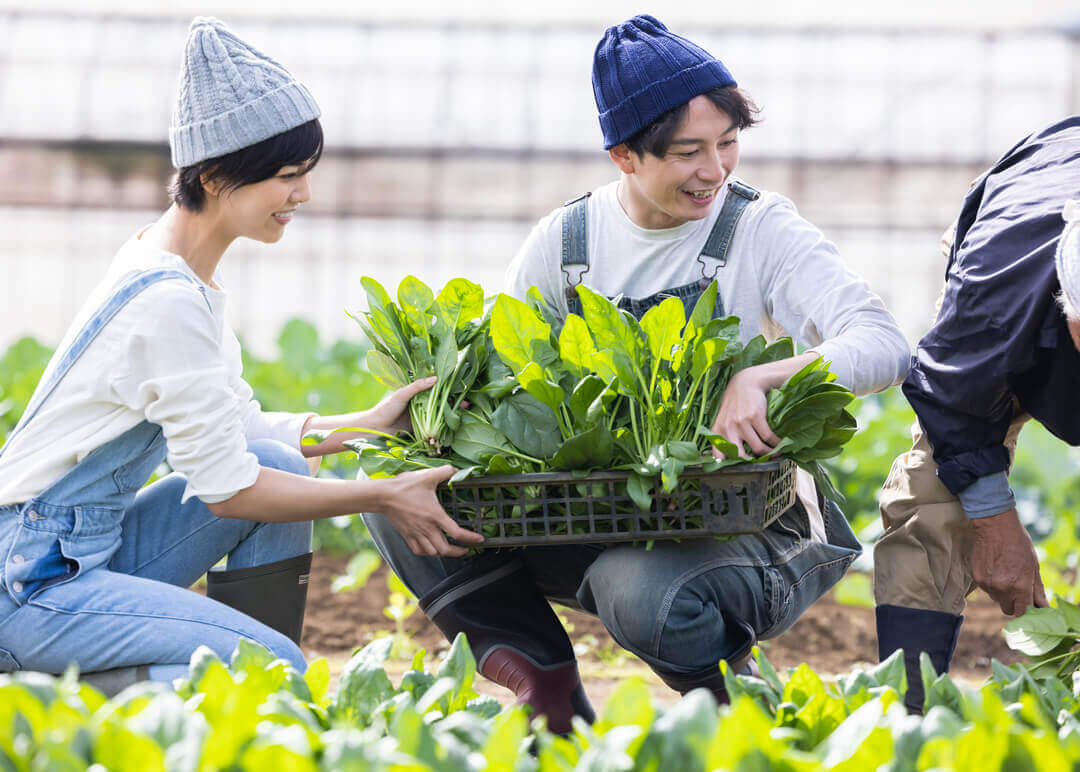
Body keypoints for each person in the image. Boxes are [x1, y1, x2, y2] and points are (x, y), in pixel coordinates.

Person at [363, 14, 908, 732]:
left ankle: (733, 706)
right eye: (689, 152)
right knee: (396, 500)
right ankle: (551, 705)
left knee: (637, 589)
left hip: (754, 520)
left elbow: (885, 343)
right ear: (625, 156)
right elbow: (503, 375)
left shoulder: (759, 228)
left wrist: (763, 379)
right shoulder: (566, 244)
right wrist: (440, 419)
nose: (715, 170)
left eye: (728, 143)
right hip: (603, 508)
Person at [0, 17, 480, 696]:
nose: (302, 195)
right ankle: (39, 698)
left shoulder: (177, 272)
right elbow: (227, 492)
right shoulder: (165, 301)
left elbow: (242, 437)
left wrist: (371, 426)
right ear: (218, 174)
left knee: (280, 468)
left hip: (77, 551)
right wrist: (382, 493)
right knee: (267, 665)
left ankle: (243, 694)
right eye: (287, 176)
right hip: (28, 581)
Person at [874, 116, 1080, 714]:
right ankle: (906, 714)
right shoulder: (996, 288)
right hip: (1020, 226)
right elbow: (952, 397)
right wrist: (994, 522)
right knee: (939, 491)